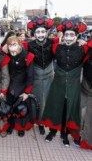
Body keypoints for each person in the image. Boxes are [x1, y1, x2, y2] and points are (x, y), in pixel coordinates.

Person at [41, 18, 90, 147]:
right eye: (67, 34)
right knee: (56, 107)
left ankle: (65, 134)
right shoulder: (57, 47)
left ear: (77, 35)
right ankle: (52, 132)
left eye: (72, 34)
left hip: (73, 85)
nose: (69, 37)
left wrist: (85, 42)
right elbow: (42, 44)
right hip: (58, 83)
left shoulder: (83, 48)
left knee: (69, 109)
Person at [23, 17, 58, 135]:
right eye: (38, 32)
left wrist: (80, 41)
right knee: (34, 100)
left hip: (49, 76)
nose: (41, 34)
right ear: (34, 33)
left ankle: (42, 122)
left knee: (46, 101)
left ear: (47, 32)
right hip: (35, 77)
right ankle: (33, 120)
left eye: (43, 31)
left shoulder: (53, 42)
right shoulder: (28, 45)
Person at [5, 36, 35, 137]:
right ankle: (11, 125)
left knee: (21, 108)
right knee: (10, 106)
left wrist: (27, 92)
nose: (12, 47)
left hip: (22, 86)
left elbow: (31, 76)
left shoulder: (28, 56)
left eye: (14, 44)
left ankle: (21, 127)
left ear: (19, 45)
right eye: (10, 45)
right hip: (10, 85)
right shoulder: (7, 54)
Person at [78, 45, 92, 149]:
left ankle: (87, 140)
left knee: (89, 116)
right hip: (84, 88)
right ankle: (81, 136)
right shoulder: (87, 54)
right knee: (81, 113)